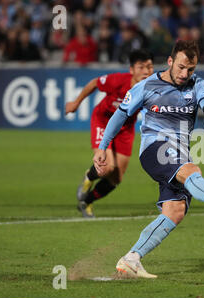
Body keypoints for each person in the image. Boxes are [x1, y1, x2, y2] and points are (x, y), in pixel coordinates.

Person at [93, 40, 204, 278]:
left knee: (175, 210)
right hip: (154, 149)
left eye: (190, 69)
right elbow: (120, 116)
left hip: (179, 153)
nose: (184, 73)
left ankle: (131, 259)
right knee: (191, 170)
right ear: (170, 62)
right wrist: (103, 146)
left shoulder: (198, 84)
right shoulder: (147, 85)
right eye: (180, 67)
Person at [65, 49, 154, 218]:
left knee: (116, 178)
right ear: (131, 70)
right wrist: (76, 103)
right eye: (141, 67)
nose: (146, 71)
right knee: (107, 167)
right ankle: (89, 177)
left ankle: (87, 201)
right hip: (103, 121)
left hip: (125, 129)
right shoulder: (118, 81)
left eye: (149, 67)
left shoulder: (151, 89)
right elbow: (94, 83)